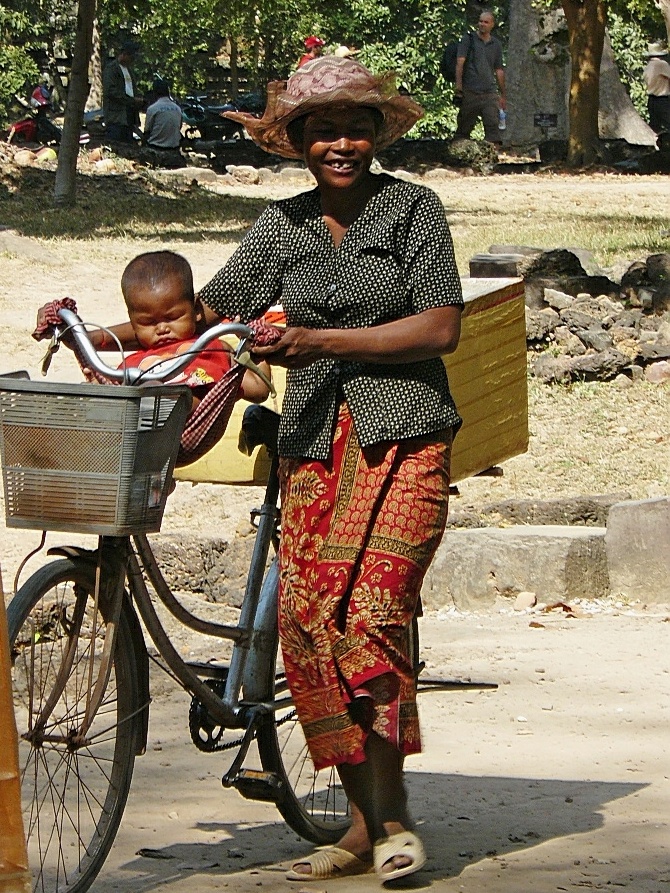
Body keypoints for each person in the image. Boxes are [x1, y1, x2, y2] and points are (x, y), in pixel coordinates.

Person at [59, 54, 463, 882]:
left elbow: (441, 328)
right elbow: (195, 316)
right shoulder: (280, 228)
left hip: (406, 436)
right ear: (301, 142)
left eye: (355, 129)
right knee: (309, 631)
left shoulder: (414, 211)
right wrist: (89, 330)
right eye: (323, 132)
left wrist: (319, 341)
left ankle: (392, 817)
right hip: (312, 443)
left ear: (377, 135)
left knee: (374, 614)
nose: (340, 144)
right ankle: (360, 827)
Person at [118, 250, 270, 407]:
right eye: (147, 322)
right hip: (141, 422)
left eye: (173, 317)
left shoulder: (215, 350)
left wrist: (256, 345)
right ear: (132, 322)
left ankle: (167, 403)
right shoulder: (129, 366)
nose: (162, 328)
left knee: (156, 391)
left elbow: (259, 389)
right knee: (140, 390)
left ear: (196, 309)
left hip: (192, 414)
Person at [453, 10, 506, 145]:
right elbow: (460, 63)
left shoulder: (496, 45)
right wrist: (458, 87)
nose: (482, 24)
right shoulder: (468, 40)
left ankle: (492, 160)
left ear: (492, 25)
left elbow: (499, 69)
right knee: (464, 128)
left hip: (489, 92)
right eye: (480, 21)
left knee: (493, 129)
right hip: (470, 91)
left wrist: (503, 94)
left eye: (486, 22)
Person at [103, 39, 144, 143]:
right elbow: (110, 91)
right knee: (116, 142)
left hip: (129, 114)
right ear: (124, 54)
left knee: (127, 142)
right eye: (131, 57)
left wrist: (138, 97)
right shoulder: (111, 69)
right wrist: (131, 100)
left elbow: (132, 88)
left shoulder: (129, 70)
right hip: (116, 115)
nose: (133, 60)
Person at [143, 78, 183, 151]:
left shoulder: (152, 109)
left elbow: (147, 131)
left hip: (155, 147)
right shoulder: (178, 109)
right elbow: (179, 127)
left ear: (154, 93)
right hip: (174, 148)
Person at [643, 41, 670, 136]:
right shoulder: (662, 65)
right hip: (662, 100)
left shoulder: (648, 66)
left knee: (654, 126)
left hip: (651, 100)